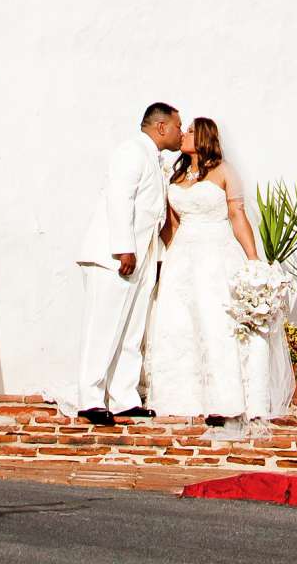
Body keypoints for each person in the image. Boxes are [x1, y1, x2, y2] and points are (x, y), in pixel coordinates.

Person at [146, 115, 296, 422]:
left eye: (189, 131)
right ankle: (181, 399)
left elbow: (237, 215)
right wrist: (164, 261)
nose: (183, 134)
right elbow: (171, 226)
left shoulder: (223, 172)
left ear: (202, 137)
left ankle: (223, 401)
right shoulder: (176, 177)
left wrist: (253, 260)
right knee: (178, 324)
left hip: (216, 254)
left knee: (217, 325)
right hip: (183, 257)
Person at [76, 100, 184, 423]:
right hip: (115, 258)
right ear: (161, 127)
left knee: (131, 330)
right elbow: (119, 197)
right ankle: (89, 397)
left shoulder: (154, 158)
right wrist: (124, 248)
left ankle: (124, 396)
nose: (181, 133)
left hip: (140, 261)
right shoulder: (132, 151)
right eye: (178, 126)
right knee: (103, 326)